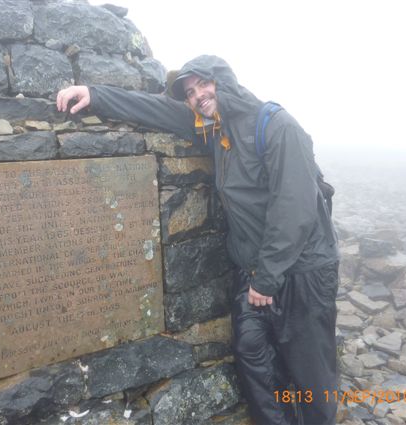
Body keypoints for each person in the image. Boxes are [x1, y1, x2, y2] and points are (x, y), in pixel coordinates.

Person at [57, 55, 340, 425]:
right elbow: (156, 109)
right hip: (256, 273)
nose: (198, 96)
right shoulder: (211, 130)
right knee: (253, 354)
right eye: (190, 92)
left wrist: (267, 279)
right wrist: (94, 95)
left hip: (303, 272)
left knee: (311, 375)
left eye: (203, 84)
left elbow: (295, 208)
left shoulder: (276, 126)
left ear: (223, 81)